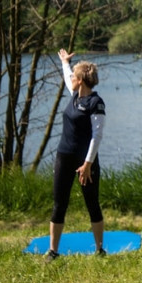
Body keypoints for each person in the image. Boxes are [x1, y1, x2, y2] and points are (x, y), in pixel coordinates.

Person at [45, 49, 107, 263]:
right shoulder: (74, 95)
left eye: (74, 76)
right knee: (59, 203)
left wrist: (88, 164)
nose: (70, 78)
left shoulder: (95, 103)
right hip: (64, 157)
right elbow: (66, 75)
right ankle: (53, 251)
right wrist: (64, 62)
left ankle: (99, 250)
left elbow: (97, 136)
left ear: (80, 81)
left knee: (92, 203)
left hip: (86, 162)